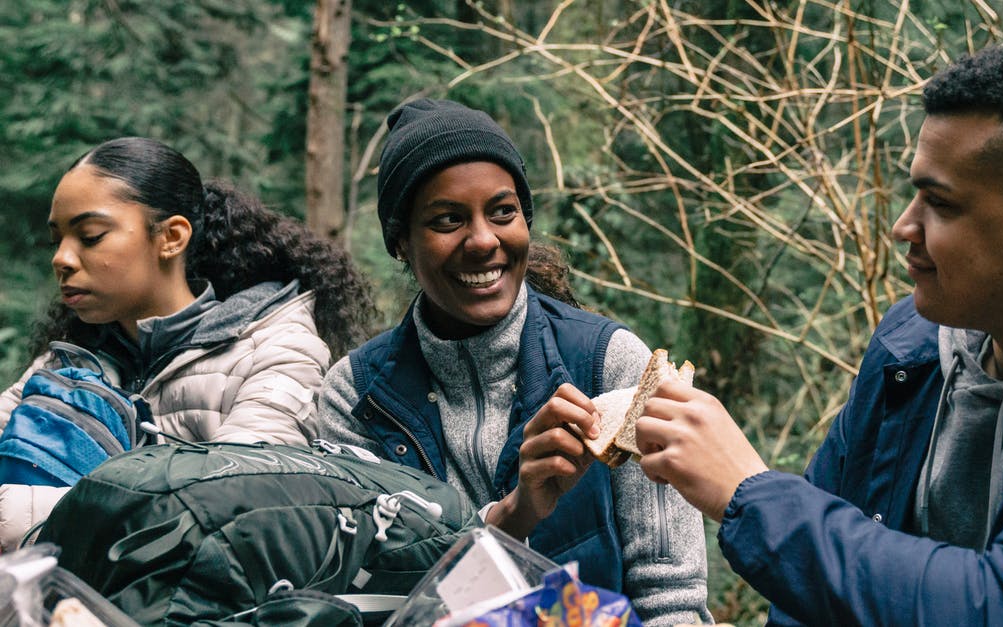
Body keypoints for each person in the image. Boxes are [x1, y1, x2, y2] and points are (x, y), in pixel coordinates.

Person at [634, 35, 1003, 625]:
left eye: (942, 205)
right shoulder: (915, 342)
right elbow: (818, 591)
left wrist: (750, 493)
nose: (904, 228)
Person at [316, 98, 712, 626]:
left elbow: (671, 596)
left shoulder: (610, 365)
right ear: (400, 244)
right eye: (447, 219)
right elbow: (360, 598)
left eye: (502, 212)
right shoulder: (356, 397)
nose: (483, 240)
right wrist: (509, 519)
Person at [0, 136, 376, 550]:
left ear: (171, 237)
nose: (62, 259)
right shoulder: (65, 362)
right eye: (59, 240)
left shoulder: (274, 350)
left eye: (89, 236)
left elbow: (231, 512)